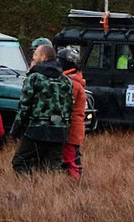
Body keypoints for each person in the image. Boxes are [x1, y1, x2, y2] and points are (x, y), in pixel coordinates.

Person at [13, 39, 74, 174]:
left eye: (35, 55)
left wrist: (16, 130)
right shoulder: (66, 80)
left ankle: (30, 191)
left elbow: (24, 106)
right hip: (60, 131)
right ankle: (51, 192)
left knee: (20, 163)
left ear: (43, 57)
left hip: (37, 129)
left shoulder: (34, 78)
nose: (33, 58)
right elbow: (70, 106)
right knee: (52, 167)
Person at [58, 45, 88, 179]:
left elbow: (65, 106)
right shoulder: (74, 80)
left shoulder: (72, 84)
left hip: (71, 129)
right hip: (74, 128)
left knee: (71, 160)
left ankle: (75, 184)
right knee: (72, 157)